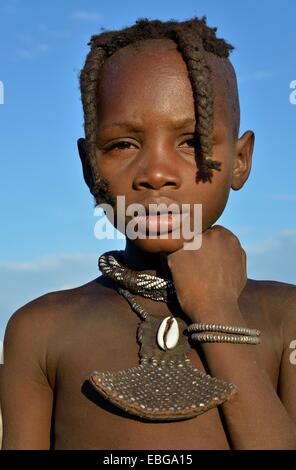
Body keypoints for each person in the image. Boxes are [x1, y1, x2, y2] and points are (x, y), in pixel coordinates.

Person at [1, 16, 296, 450]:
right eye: (123, 145)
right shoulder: (40, 331)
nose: (156, 174)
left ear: (240, 160)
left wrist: (216, 310)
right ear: (88, 166)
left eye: (191, 142)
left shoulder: (285, 317)